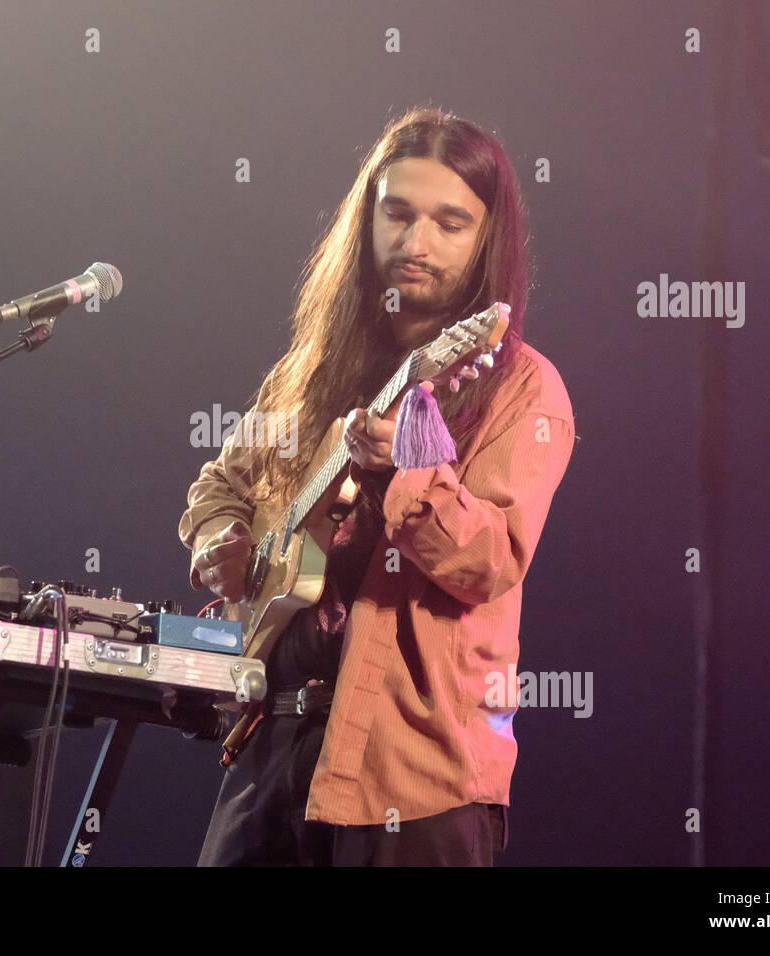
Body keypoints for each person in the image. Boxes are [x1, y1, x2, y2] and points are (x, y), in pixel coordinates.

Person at [177, 107, 575, 866]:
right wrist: (223, 543)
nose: (416, 242)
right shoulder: (305, 375)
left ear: (488, 239)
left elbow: (489, 560)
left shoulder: (524, 387)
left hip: (413, 776)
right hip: (273, 747)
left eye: (450, 223)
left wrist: (408, 471)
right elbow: (219, 486)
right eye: (397, 213)